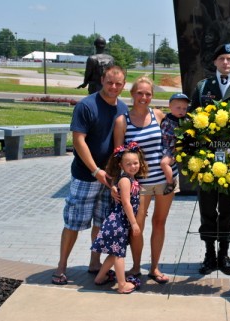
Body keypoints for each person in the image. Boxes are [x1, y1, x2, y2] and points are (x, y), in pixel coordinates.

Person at [52, 65, 128, 285]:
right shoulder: (86, 105)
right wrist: (96, 170)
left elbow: (118, 145)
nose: (113, 87)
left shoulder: (121, 108)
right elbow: (78, 140)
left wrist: (115, 173)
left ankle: (95, 263)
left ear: (124, 85)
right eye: (110, 82)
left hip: (109, 177)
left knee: (101, 223)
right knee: (74, 223)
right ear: (103, 80)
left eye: (118, 83)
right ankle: (62, 266)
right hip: (86, 175)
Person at [190, 43, 230, 276]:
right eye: (222, 59)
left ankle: (224, 254)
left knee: (227, 209)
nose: (226, 63)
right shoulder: (203, 86)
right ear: (215, 62)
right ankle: (209, 254)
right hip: (206, 159)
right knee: (207, 208)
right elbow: (192, 121)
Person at [113, 76, 178, 284]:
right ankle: (135, 266)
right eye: (139, 93)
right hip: (138, 185)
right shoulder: (123, 121)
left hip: (164, 181)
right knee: (137, 225)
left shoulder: (158, 115)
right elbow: (118, 155)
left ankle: (154, 267)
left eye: (148, 94)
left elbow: (171, 142)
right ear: (132, 94)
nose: (143, 97)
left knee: (159, 223)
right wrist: (116, 184)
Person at [91, 142, 148, 294]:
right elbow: (126, 204)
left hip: (120, 222)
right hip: (118, 223)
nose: (133, 166)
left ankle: (100, 277)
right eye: (128, 164)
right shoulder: (125, 180)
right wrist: (135, 224)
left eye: (135, 163)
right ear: (121, 165)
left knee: (113, 253)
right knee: (118, 254)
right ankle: (122, 285)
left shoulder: (132, 179)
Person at [160, 93, 190, 195]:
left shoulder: (185, 121)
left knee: (164, 163)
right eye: (178, 108)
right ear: (170, 107)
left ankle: (170, 182)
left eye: (184, 108)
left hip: (173, 148)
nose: (182, 111)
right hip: (164, 145)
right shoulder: (166, 118)